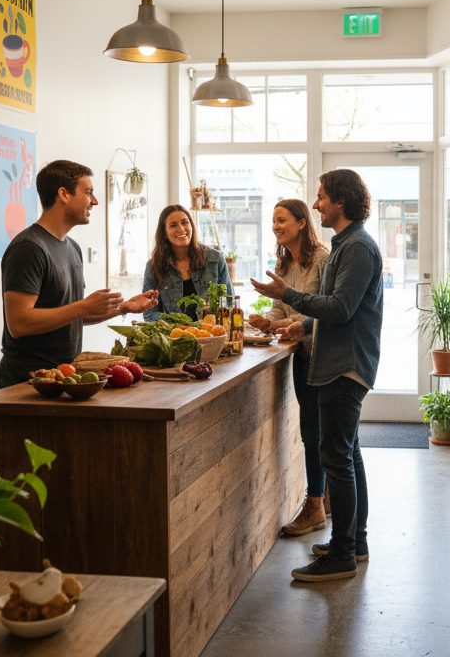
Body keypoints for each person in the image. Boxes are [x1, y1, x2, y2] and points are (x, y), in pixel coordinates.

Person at [250, 169, 382, 583]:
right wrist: (302, 326)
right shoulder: (346, 243)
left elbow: (341, 308)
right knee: (347, 454)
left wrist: (285, 295)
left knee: (337, 459)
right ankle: (353, 541)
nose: (318, 203)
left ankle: (342, 554)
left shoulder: (358, 246)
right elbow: (332, 306)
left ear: (341, 201)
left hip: (345, 366)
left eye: (322, 196)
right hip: (336, 361)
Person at [0, 160, 158, 389]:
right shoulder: (28, 248)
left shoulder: (72, 248)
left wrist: (122, 308)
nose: (94, 201)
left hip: (65, 376)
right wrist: (83, 305)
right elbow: (19, 323)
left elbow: (68, 316)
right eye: (88, 192)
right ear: (63, 194)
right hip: (26, 382)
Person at [249, 199, 331, 536]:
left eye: (281, 220)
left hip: (324, 358)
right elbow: (278, 312)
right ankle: (320, 501)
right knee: (312, 434)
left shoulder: (323, 260)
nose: (276, 226)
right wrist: (263, 322)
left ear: (301, 223)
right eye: (273, 221)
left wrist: (295, 322)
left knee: (321, 436)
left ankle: (316, 505)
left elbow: (329, 310)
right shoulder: (282, 265)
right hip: (302, 358)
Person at [141, 204, 232, 321]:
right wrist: (176, 325)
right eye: (173, 225)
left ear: (191, 226)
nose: (181, 229)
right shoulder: (153, 266)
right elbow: (149, 312)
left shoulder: (215, 259)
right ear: (164, 233)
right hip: (175, 337)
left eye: (185, 222)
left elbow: (229, 304)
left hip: (212, 335)